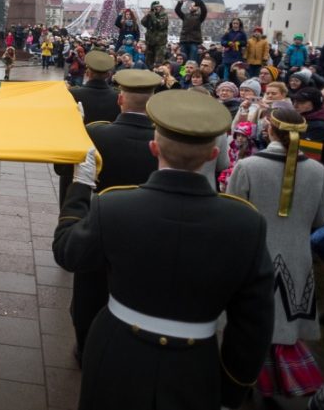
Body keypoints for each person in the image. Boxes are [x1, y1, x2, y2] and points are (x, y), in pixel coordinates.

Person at [52, 89, 275, 409]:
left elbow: (67, 252)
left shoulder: (113, 206)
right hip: (194, 363)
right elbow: (253, 325)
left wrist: (81, 187)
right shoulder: (246, 223)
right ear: (213, 155)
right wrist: (231, 393)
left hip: (115, 350)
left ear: (154, 148)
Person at [226, 108, 324, 400]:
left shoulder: (248, 167)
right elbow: (321, 217)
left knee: (248, 322)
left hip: (254, 254)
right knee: (284, 324)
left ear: (269, 130)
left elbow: (236, 214)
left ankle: (244, 379)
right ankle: (276, 383)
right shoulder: (317, 169)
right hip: (298, 256)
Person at [69, 69, 161, 363]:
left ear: (120, 99)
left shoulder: (96, 133)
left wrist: (74, 129)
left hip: (103, 219)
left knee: (90, 291)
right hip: (151, 229)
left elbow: (65, 171)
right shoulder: (164, 141)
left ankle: (84, 348)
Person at [55, 50, 119, 204]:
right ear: (109, 74)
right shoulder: (118, 97)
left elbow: (62, 128)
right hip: (105, 158)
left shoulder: (72, 94)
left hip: (75, 158)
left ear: (88, 72)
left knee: (70, 206)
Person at [175, 0, 207, 64]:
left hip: (194, 42)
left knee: (192, 60)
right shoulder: (185, 16)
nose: (192, 7)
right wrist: (181, 2)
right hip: (184, 41)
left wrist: (197, 0)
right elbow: (177, 10)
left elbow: (204, 10)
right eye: (191, 6)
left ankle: (191, 73)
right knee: (182, 60)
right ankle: (182, 73)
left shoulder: (199, 17)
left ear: (198, 8)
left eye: (194, 6)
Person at [140, 1, 169, 69]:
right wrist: (148, 14)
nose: (157, 8)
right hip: (150, 43)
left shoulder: (163, 15)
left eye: (158, 6)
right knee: (148, 62)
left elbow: (159, 24)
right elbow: (143, 22)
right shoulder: (151, 15)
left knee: (158, 63)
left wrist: (152, 16)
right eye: (155, 7)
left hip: (160, 44)